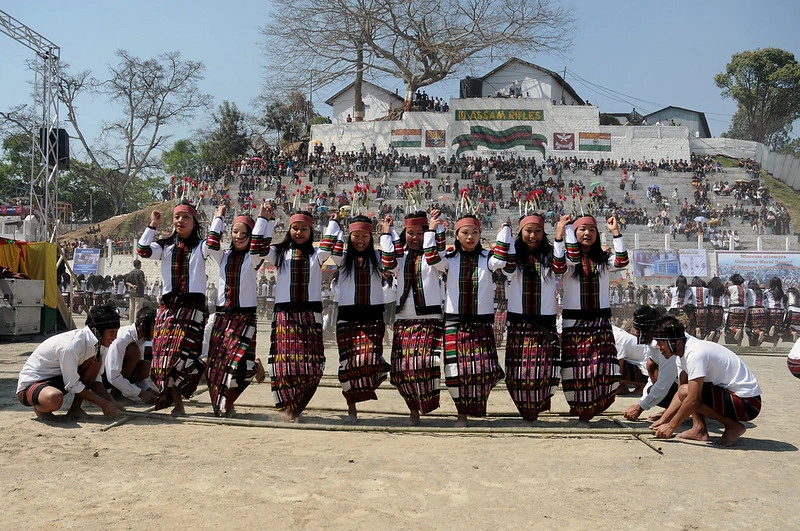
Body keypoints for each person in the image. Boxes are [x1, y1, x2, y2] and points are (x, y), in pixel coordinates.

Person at [426, 213, 505, 427]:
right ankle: (461, 413)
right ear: (457, 235)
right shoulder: (450, 260)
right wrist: (433, 230)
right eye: (465, 233)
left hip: (481, 323)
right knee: (455, 372)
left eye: (475, 233)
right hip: (455, 323)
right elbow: (432, 257)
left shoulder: (488, 258)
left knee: (482, 369)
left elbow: (504, 259)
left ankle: (478, 408)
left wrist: (504, 232)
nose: (470, 237)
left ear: (480, 234)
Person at [137, 200, 210, 415]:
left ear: (195, 222)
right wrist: (152, 225)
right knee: (161, 358)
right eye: (177, 217)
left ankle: (181, 398)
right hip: (168, 308)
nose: (180, 221)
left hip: (193, 308)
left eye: (186, 217)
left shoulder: (202, 246)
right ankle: (175, 401)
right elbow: (142, 250)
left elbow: (214, 242)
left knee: (184, 358)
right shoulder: (165, 246)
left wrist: (218, 217)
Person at [555, 213, 628, 423]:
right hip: (574, 322)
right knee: (575, 369)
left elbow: (622, 260)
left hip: (600, 322)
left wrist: (615, 232)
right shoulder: (568, 260)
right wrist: (562, 234)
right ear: (574, 233)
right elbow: (558, 265)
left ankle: (594, 404)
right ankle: (578, 406)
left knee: (604, 366)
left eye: (592, 230)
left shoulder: (604, 260)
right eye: (582, 230)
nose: (587, 234)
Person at [650, 316, 762, 447]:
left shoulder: (695, 353)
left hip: (748, 403)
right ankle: (699, 429)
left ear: (676, 342)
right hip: (734, 396)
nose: (658, 347)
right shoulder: (681, 354)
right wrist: (663, 420)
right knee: (686, 390)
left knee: (689, 393)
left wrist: (671, 426)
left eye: (660, 342)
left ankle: (733, 427)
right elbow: (680, 395)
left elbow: (691, 399)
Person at [205, 203, 272, 417]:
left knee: (244, 365)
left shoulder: (253, 258)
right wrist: (219, 217)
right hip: (223, 316)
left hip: (244, 316)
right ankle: (225, 403)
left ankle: (231, 399)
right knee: (219, 364)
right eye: (235, 232)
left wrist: (263, 219)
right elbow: (212, 242)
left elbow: (260, 244)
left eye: (244, 233)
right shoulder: (223, 256)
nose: (239, 236)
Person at [492, 214, 561, 422]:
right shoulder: (515, 255)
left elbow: (560, 267)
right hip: (519, 322)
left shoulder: (551, 254)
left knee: (543, 371)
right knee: (517, 372)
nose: (533, 236)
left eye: (537, 231)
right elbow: (505, 265)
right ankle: (525, 409)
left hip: (544, 323)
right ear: (520, 232)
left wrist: (559, 235)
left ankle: (536, 408)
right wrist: (505, 232)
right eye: (528, 231)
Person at [266, 211, 333, 422]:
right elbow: (258, 245)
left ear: (311, 231)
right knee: (283, 366)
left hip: (310, 315)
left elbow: (330, 242)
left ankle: (298, 406)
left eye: (304, 229)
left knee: (313, 366)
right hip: (285, 315)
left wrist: (333, 221)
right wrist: (265, 220)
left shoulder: (317, 254)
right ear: (289, 230)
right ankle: (287, 410)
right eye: (295, 228)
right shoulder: (279, 254)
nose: (299, 232)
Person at [380, 211, 444, 425]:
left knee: (424, 364)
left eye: (420, 232)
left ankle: (425, 404)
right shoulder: (401, 257)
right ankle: (413, 409)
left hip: (429, 319)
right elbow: (388, 263)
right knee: (400, 369)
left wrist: (434, 231)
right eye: (410, 233)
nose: (415, 237)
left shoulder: (434, 256)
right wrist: (387, 234)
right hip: (403, 319)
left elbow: (436, 252)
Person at [328, 214, 391, 422]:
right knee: (347, 365)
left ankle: (376, 376)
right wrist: (335, 227)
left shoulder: (379, 257)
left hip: (373, 316)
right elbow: (330, 258)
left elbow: (392, 260)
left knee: (370, 359)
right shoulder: (342, 258)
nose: (361, 240)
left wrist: (386, 233)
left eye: (365, 235)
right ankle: (351, 407)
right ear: (350, 235)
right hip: (347, 316)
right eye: (356, 235)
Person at [17, 304, 123, 420]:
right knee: (54, 398)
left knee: (95, 362)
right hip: (32, 385)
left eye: (116, 331)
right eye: (111, 332)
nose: (115, 337)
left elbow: (95, 378)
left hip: (57, 379)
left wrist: (110, 401)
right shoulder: (71, 346)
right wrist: (103, 403)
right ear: (96, 330)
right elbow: (72, 384)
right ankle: (40, 408)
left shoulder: (99, 343)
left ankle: (75, 409)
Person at [622, 306, 680, 421]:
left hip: (705, 388)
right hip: (678, 381)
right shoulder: (654, 344)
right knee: (651, 366)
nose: (635, 332)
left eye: (637, 329)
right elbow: (651, 377)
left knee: (685, 388)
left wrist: (640, 408)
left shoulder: (666, 344)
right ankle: (671, 411)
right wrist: (642, 403)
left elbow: (664, 384)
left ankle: (687, 418)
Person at [104, 306, 159, 404]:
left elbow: (136, 367)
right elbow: (113, 375)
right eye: (154, 326)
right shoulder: (123, 338)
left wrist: (147, 389)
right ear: (143, 325)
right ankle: (116, 394)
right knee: (133, 351)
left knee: (145, 366)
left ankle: (118, 392)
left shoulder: (141, 339)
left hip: (115, 375)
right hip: (104, 376)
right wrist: (140, 393)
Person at [724, 274, 749, 346]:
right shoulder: (745, 289)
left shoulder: (731, 288)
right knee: (740, 325)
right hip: (743, 309)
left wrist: (725, 286)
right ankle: (739, 343)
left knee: (729, 325)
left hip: (733, 308)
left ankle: (735, 330)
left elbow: (726, 294)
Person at [124, 259, 147, 323]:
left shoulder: (130, 272)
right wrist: (145, 283)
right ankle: (136, 322)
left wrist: (132, 286)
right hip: (139, 292)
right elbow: (142, 281)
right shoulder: (140, 272)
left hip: (131, 293)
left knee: (131, 308)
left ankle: (131, 322)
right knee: (138, 309)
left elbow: (127, 282)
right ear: (139, 265)